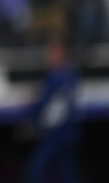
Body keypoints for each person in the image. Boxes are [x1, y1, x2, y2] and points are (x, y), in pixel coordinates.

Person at [25, 36, 82, 183]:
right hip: (63, 134)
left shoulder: (63, 77)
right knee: (66, 173)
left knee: (37, 171)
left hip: (58, 134)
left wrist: (36, 124)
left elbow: (55, 110)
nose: (48, 55)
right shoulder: (59, 75)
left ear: (62, 52)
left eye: (52, 52)